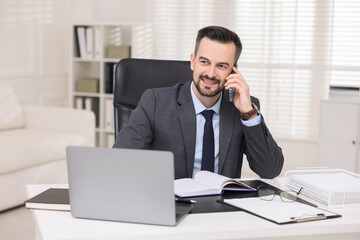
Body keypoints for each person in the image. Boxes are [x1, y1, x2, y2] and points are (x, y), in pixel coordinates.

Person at [113, 26, 284, 179]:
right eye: (204, 62)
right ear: (193, 61)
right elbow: (120, 161)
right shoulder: (155, 102)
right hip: (171, 204)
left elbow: (270, 170)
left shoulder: (243, 108)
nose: (210, 73)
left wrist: (248, 113)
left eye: (222, 66)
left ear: (234, 71)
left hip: (221, 207)